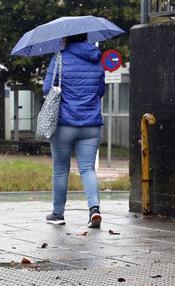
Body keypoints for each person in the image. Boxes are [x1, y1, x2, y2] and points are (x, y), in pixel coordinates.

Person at [41, 33, 105, 228]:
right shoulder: (96, 59)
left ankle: (58, 213)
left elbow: (46, 89)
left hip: (64, 124)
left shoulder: (59, 58)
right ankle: (94, 210)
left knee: (61, 170)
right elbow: (100, 90)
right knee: (87, 169)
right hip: (91, 125)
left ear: (65, 38)